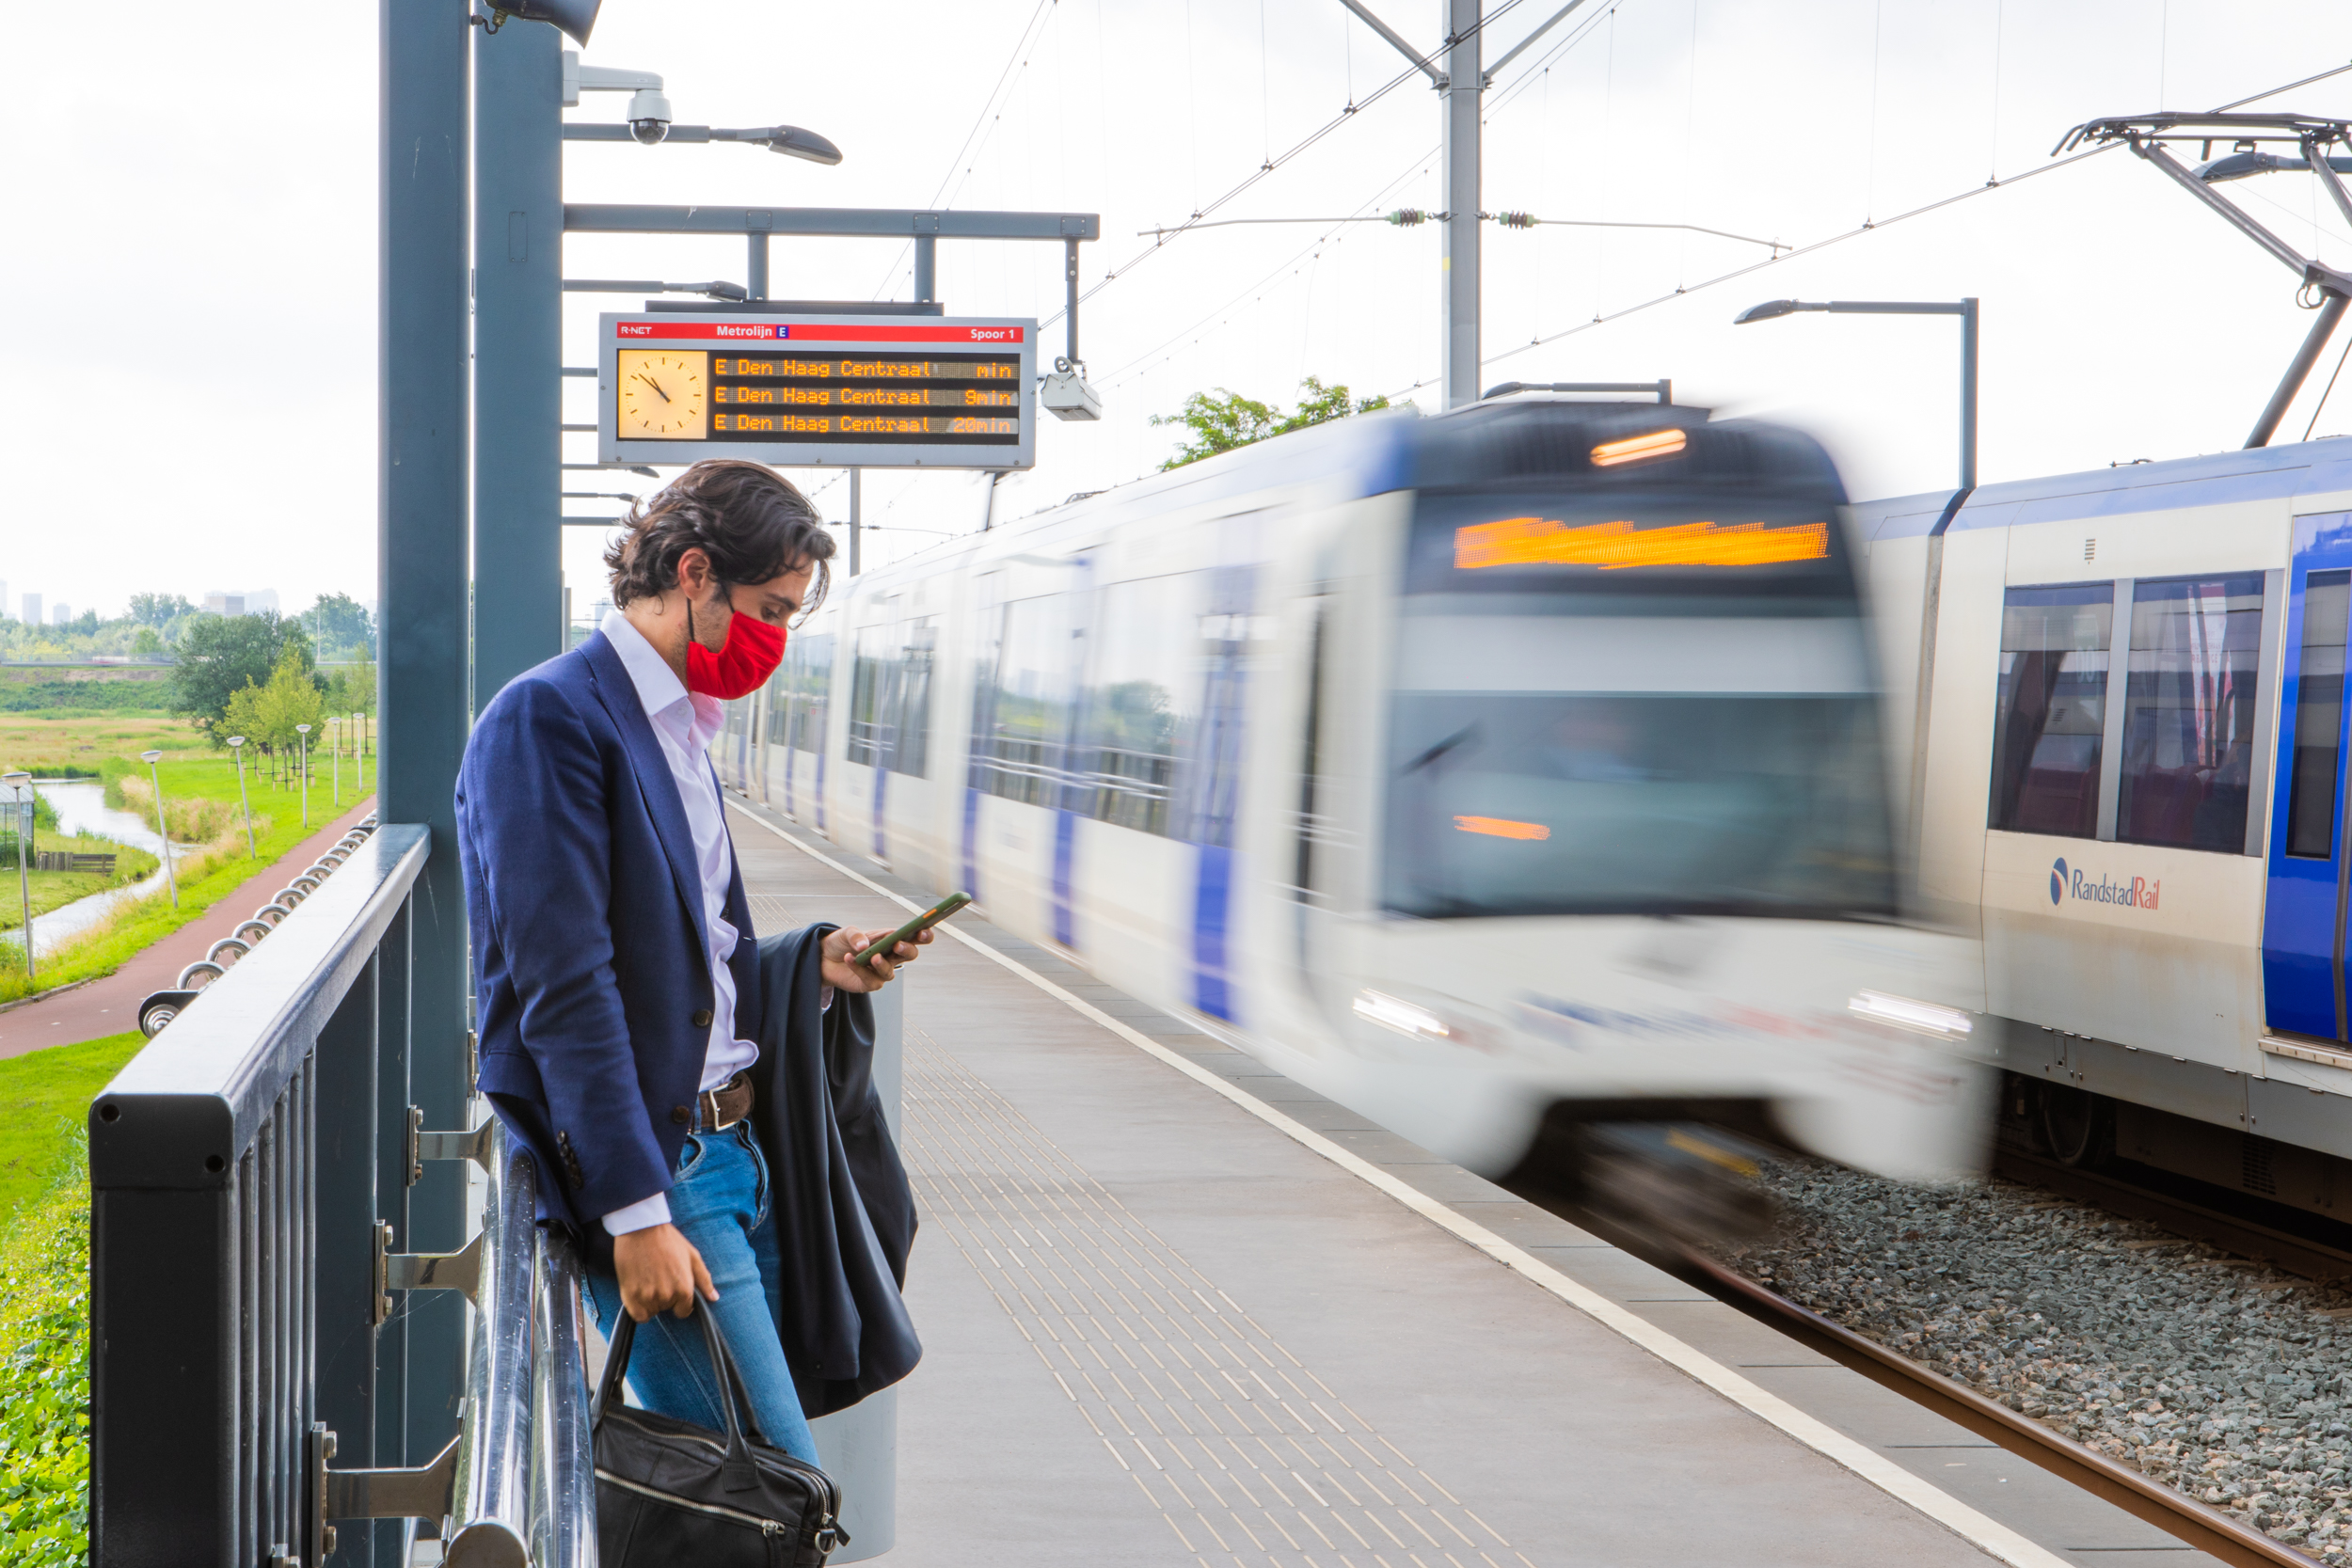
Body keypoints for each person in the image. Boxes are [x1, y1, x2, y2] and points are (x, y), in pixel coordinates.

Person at [456, 458, 930, 1465]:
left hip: (732, 1155)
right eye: (769, 608)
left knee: (753, 1498)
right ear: (695, 572)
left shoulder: (674, 724)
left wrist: (813, 964)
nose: (777, 639)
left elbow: (680, 960)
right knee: (772, 1494)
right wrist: (634, 1212)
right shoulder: (550, 718)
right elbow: (565, 986)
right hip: (665, 1177)